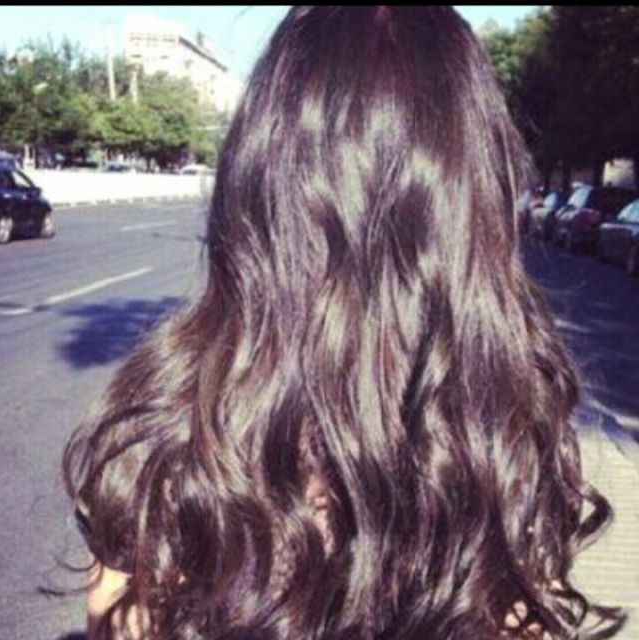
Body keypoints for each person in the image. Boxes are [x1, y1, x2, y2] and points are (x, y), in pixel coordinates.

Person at [63, 7, 625, 639]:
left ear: (255, 183)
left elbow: (122, 625)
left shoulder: (166, 426)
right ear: (474, 203)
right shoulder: (502, 430)